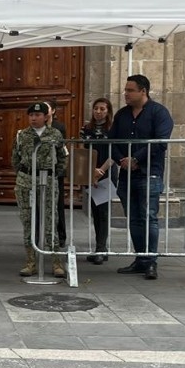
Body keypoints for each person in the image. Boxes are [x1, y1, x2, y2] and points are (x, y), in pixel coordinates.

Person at [108, 74, 174, 280]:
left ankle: (151, 260)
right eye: (125, 90)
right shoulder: (122, 115)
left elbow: (160, 141)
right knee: (134, 219)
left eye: (130, 90)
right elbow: (112, 141)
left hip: (149, 173)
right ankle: (140, 259)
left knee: (149, 217)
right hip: (127, 175)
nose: (125, 94)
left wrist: (136, 158)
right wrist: (122, 160)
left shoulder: (159, 112)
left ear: (143, 91)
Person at [11, 102, 66, 277]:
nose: (34, 118)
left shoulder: (55, 134)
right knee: (28, 220)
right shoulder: (22, 135)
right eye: (31, 116)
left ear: (45, 117)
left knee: (50, 220)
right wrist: (24, 173)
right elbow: (15, 158)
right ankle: (31, 261)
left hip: (48, 180)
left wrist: (54, 174)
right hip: (26, 180)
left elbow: (62, 157)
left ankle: (56, 262)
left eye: (38, 115)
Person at [80, 97, 114, 264]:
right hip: (90, 172)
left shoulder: (113, 129)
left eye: (102, 109)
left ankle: (102, 247)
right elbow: (84, 151)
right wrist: (91, 170)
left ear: (108, 112)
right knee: (94, 211)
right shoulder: (86, 129)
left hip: (106, 172)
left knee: (103, 212)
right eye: (96, 108)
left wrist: (101, 171)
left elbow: (115, 152)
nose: (98, 112)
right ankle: (99, 247)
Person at [47, 100, 68, 248]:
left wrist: (60, 169)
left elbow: (62, 150)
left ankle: (61, 235)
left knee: (58, 203)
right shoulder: (36, 126)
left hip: (55, 170)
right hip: (41, 170)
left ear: (53, 111)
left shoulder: (58, 127)